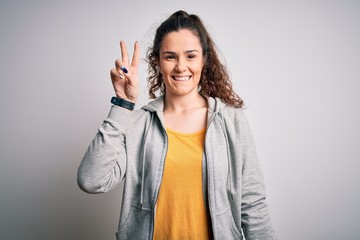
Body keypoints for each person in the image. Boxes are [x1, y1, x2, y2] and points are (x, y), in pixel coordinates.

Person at [77, 10, 276, 240]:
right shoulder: (139, 124)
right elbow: (91, 180)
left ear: (204, 60)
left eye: (190, 56)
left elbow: (252, 203)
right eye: (170, 56)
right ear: (157, 61)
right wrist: (123, 103)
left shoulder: (230, 120)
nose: (181, 67)